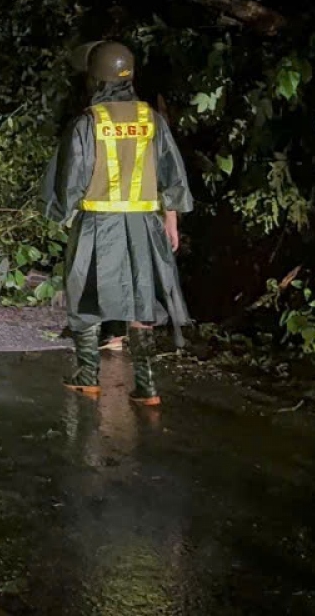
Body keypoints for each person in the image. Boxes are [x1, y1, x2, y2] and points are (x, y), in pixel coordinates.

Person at [43, 41, 192, 405]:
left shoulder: (89, 122)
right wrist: (171, 218)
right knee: (143, 301)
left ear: (95, 78)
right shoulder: (150, 119)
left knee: (87, 295)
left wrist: (60, 213)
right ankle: (147, 385)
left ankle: (88, 375)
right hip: (144, 224)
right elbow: (172, 172)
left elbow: (70, 178)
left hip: (98, 223)